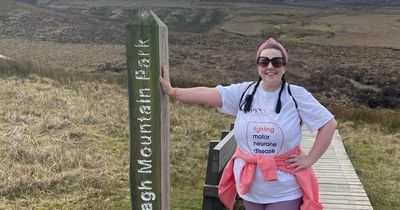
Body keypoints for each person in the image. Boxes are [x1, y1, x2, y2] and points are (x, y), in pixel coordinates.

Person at [160, 38, 337, 210]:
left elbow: (328, 124)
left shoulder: (296, 95)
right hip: (249, 188)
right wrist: (173, 91)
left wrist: (310, 159)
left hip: (284, 190)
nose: (270, 67)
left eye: (276, 62)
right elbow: (205, 93)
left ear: (284, 67)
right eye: (264, 61)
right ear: (257, 66)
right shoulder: (244, 92)